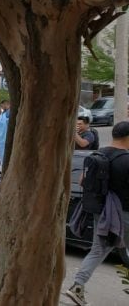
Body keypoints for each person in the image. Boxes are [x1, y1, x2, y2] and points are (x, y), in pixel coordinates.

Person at [65, 121, 129, 306]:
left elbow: (83, 180)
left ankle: (77, 286)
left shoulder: (99, 154)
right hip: (123, 214)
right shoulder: (126, 160)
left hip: (102, 213)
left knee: (98, 250)